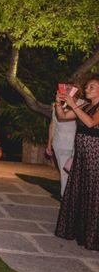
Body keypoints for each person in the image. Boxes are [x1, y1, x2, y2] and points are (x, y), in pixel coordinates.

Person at [55, 76, 99, 250]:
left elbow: (90, 123)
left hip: (95, 154)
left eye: (92, 87)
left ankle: (92, 235)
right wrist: (59, 103)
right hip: (81, 154)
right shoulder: (85, 106)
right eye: (88, 86)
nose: (87, 89)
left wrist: (73, 104)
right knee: (79, 190)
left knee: (92, 192)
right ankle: (77, 230)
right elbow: (63, 116)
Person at [46, 85, 83, 197]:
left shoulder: (82, 104)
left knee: (78, 175)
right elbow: (53, 123)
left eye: (69, 88)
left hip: (76, 144)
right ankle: (65, 198)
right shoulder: (57, 104)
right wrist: (49, 144)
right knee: (64, 172)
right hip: (60, 144)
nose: (66, 90)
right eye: (65, 88)